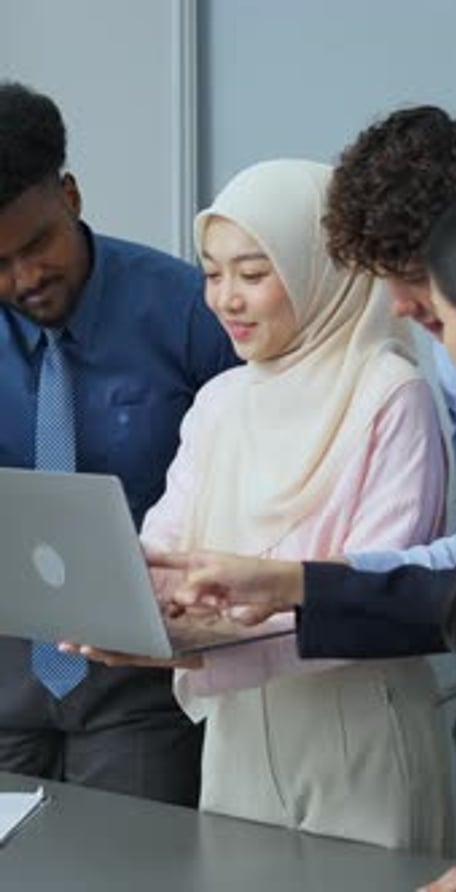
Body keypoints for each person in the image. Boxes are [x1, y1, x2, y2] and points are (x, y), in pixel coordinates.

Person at [163, 177, 456, 891]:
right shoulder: (218, 400)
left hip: (357, 731)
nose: (227, 298)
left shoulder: (393, 391)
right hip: (236, 728)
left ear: (322, 271)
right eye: (213, 274)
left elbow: (396, 591)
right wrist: (143, 612)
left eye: (253, 273)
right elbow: (166, 550)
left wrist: (209, 627)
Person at [0, 81, 237, 804]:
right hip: (4, 672)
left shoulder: (192, 313)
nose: (25, 279)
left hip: (140, 683)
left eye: (37, 245)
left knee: (127, 859)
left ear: (71, 197)